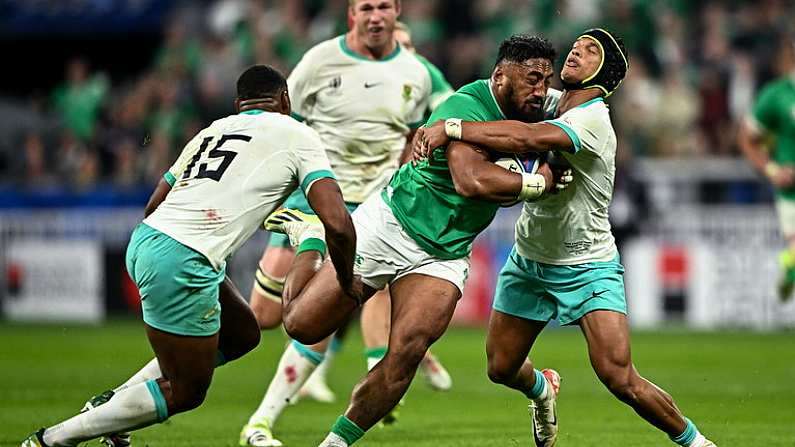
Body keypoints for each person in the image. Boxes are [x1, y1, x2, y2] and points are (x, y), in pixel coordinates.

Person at [21, 65, 360, 447]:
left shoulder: (212, 130)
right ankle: (53, 439)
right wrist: (345, 280)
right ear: (285, 100)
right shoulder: (298, 133)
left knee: (242, 334)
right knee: (186, 390)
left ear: (238, 105)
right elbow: (337, 221)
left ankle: (110, 406)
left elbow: (154, 203)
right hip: (184, 257)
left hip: (148, 238)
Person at [415, 29, 717, 447]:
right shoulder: (553, 102)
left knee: (619, 377)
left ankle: (695, 441)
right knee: (501, 367)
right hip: (530, 259)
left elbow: (527, 138)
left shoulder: (592, 119)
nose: (577, 49)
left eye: (591, 50)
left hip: (587, 264)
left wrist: (450, 127)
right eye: (578, 44)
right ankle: (542, 388)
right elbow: (507, 108)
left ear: (605, 75)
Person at [270, 34, 571, 447]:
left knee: (405, 354)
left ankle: (333, 445)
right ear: (500, 77)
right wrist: (539, 182)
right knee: (301, 325)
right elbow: (471, 181)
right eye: (532, 79)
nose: (541, 90)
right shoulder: (467, 105)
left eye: (546, 80)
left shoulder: (538, 108)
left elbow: (586, 108)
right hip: (390, 224)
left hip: (443, 255)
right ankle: (309, 237)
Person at [239, 2, 449, 445]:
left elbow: (439, 120)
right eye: (366, 7)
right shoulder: (320, 60)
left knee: (325, 315)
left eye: (384, 7)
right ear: (352, 14)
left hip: (373, 212)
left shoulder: (418, 72)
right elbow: (279, 121)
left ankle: (260, 422)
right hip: (314, 201)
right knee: (262, 316)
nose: (376, 16)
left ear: (397, 11)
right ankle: (171, 368)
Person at [294, 18, 457, 406]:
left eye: (408, 43)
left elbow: (454, 111)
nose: (404, 50)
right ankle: (391, 364)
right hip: (357, 195)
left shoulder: (422, 76)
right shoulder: (350, 74)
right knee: (347, 293)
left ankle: (366, 368)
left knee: (366, 291)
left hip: (395, 198)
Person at [739, 39, 795, 302]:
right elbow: (747, 138)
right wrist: (772, 170)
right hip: (791, 192)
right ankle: (791, 264)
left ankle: (790, 264)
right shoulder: (777, 95)